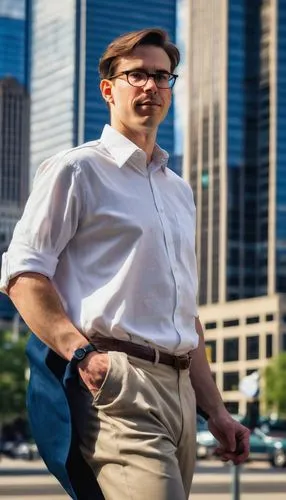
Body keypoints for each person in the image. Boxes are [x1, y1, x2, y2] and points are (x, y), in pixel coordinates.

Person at [0, 28, 250, 500]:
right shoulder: (76, 170)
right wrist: (84, 356)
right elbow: (22, 275)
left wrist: (215, 411)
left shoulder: (179, 190)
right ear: (108, 88)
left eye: (161, 76)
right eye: (136, 75)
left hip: (179, 389)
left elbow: (183, 317)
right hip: (118, 382)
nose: (151, 86)